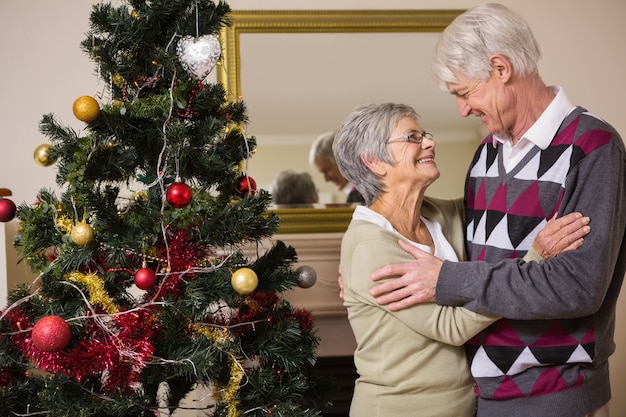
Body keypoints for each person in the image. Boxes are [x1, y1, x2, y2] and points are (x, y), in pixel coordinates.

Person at [369, 4, 626, 417]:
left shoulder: (593, 147)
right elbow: (464, 245)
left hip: (557, 396)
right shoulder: (486, 155)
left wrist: (449, 279)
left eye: (465, 92)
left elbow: (578, 288)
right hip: (486, 395)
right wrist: (372, 246)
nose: (462, 110)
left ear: (500, 68)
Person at [333, 102, 589, 417]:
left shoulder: (443, 215)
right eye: (412, 137)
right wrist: (534, 259)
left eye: (424, 133)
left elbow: (501, 205)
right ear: (374, 162)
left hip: (466, 407)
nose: (429, 142)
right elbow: (451, 326)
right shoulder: (370, 245)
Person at [309, 131, 365, 204]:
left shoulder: (368, 193)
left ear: (342, 160)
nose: (326, 179)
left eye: (326, 170)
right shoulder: (354, 196)